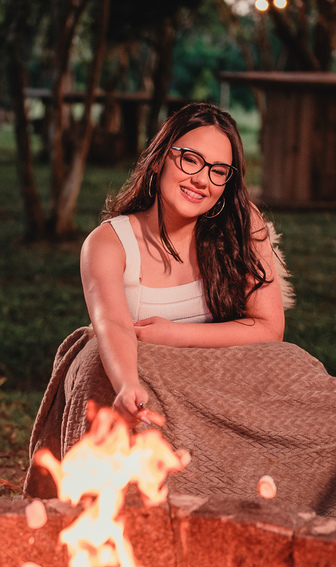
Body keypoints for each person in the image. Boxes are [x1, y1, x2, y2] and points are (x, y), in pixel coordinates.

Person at [79, 102, 286, 426]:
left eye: (217, 171)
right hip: (147, 382)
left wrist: (174, 334)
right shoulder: (109, 243)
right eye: (190, 160)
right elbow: (113, 325)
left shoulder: (242, 224)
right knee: (95, 362)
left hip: (224, 387)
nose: (202, 180)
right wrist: (128, 385)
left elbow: (270, 329)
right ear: (160, 158)